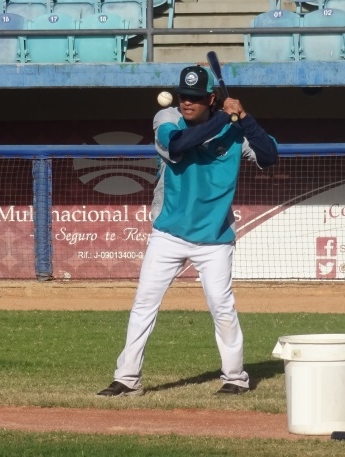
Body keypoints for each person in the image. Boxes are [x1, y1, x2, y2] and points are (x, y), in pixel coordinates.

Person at [97, 65, 279, 397]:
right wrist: (225, 118)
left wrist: (245, 117)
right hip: (169, 233)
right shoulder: (166, 119)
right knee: (144, 304)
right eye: (184, 96)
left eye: (195, 98)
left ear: (211, 98)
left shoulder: (236, 132)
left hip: (214, 238)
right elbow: (180, 146)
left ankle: (235, 378)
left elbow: (269, 156)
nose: (187, 103)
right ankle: (127, 378)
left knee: (222, 307)